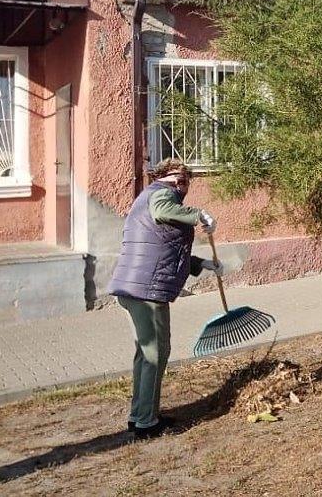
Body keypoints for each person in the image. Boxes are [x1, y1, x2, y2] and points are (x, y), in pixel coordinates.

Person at [108, 158, 219, 439]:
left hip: (136, 286)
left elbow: (163, 246)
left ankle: (141, 415)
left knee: (146, 354)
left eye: (185, 180)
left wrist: (200, 265)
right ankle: (146, 423)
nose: (181, 184)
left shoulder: (149, 197)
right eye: (176, 178)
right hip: (147, 290)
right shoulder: (160, 194)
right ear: (163, 177)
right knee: (156, 353)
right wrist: (200, 214)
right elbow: (163, 210)